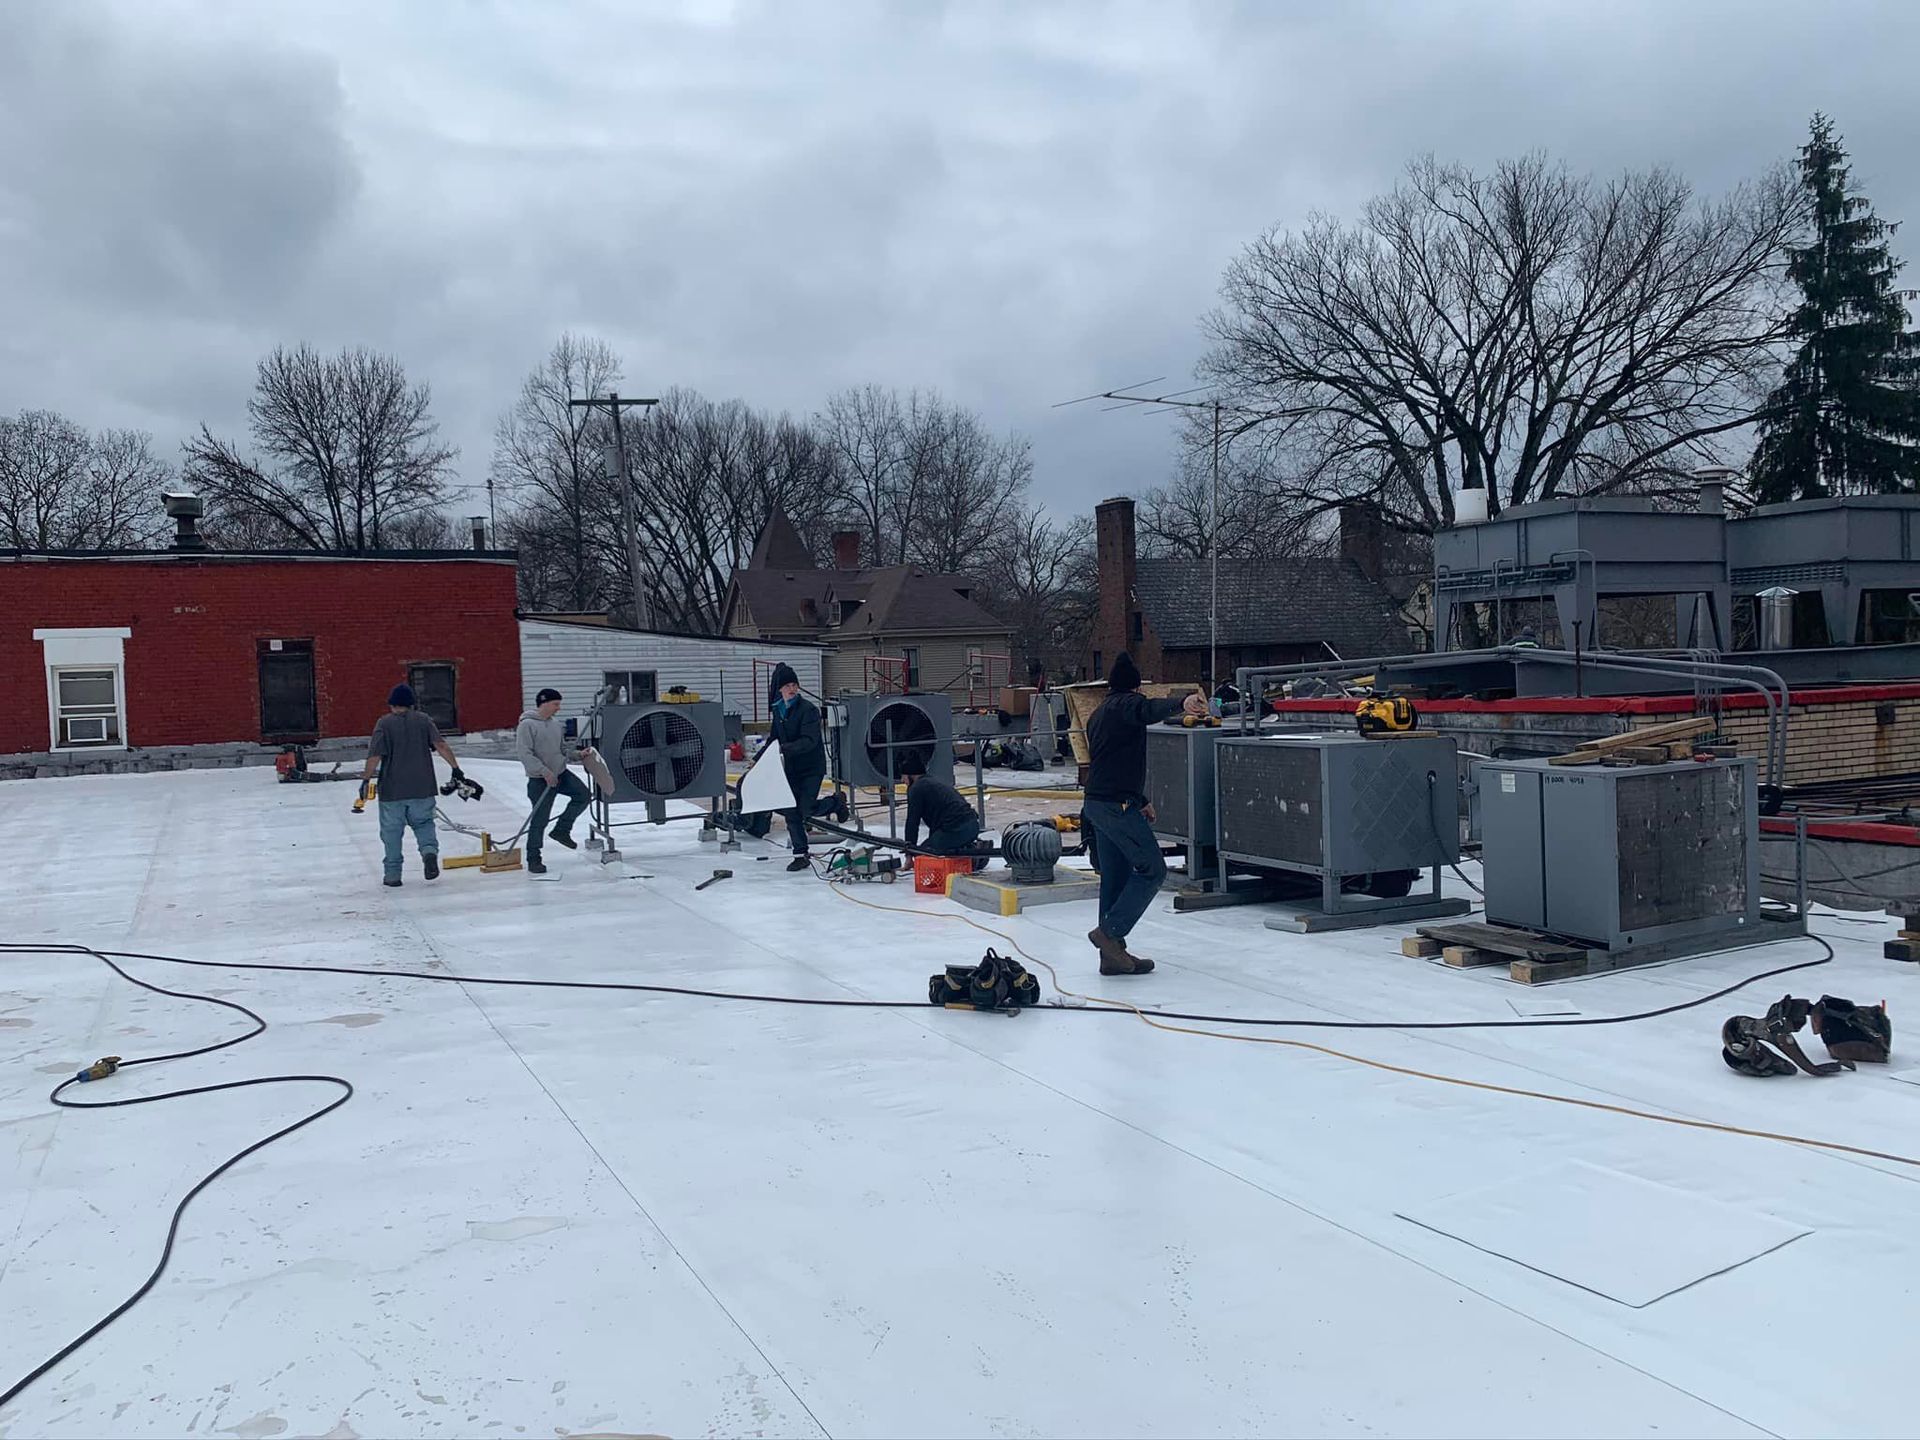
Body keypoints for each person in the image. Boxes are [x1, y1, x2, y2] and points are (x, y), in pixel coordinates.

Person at [1081, 653, 1206, 975]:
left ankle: (1112, 956)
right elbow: (1146, 709)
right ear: (1135, 687)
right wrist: (1182, 703)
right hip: (1115, 807)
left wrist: (1141, 798)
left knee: (1116, 877)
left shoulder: (1099, 714)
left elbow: (1111, 762)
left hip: (1099, 803)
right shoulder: (1126, 705)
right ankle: (1109, 933)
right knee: (1152, 869)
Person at [362, 683, 465, 889]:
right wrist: (455, 768)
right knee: (424, 824)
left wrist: (366, 779)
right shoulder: (423, 720)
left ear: (392, 704)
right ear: (411, 704)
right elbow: (440, 745)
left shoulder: (384, 723)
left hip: (392, 790)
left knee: (391, 833)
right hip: (422, 787)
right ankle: (429, 853)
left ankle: (392, 875)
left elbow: (375, 755)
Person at [515, 687, 593, 876]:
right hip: (539, 780)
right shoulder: (527, 725)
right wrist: (544, 772)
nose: (558, 708)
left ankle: (561, 830)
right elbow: (525, 754)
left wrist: (578, 754)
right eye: (555, 704)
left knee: (583, 796)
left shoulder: (555, 724)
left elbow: (562, 750)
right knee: (539, 820)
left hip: (561, 774)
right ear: (544, 703)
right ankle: (534, 858)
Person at [767, 663, 825, 871]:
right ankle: (800, 855)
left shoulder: (808, 710)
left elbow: (809, 741)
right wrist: (759, 758)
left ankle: (836, 803)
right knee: (791, 811)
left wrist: (783, 749)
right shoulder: (778, 710)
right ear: (780, 689)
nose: (791, 689)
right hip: (791, 769)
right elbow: (774, 738)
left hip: (811, 768)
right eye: (787, 686)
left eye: (794, 685)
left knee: (806, 809)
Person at [897, 750, 981, 856]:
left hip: (956, 830)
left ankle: (972, 853)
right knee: (940, 847)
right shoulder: (934, 782)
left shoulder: (916, 788)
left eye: (903, 776)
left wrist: (909, 852)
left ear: (911, 775)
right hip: (972, 825)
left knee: (924, 854)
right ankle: (971, 849)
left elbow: (912, 823)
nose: (902, 780)